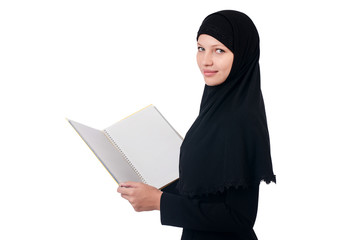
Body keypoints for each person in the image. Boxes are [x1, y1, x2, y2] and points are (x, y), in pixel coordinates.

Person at [117, 10, 276, 240]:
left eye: (219, 50)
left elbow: (239, 217)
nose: (206, 60)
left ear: (242, 55)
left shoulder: (241, 120)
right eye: (201, 48)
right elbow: (211, 188)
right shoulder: (218, 105)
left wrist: (160, 202)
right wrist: (154, 185)